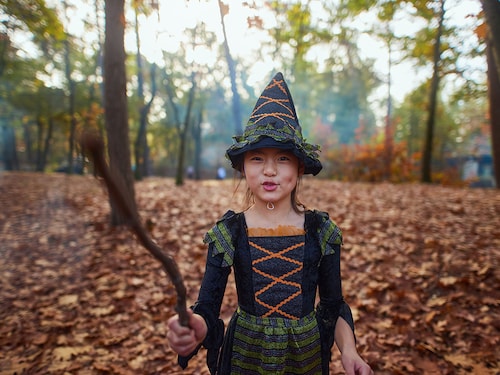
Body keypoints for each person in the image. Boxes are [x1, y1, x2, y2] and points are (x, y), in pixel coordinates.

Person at [167, 72, 373, 375]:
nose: (270, 171)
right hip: (246, 357)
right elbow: (208, 308)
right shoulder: (230, 234)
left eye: (283, 159)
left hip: (305, 359)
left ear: (300, 166)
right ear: (243, 167)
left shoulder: (320, 232)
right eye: (257, 158)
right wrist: (196, 327)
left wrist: (350, 352)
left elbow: (332, 306)